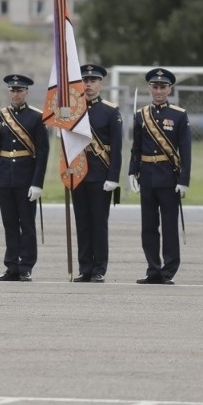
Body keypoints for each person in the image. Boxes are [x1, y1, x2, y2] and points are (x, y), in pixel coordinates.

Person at [128, 68, 191, 285]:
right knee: (148, 226)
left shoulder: (179, 115)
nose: (158, 91)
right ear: (149, 88)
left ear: (169, 89)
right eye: (155, 87)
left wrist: (184, 180)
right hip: (147, 176)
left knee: (169, 226)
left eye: (163, 87)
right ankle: (153, 269)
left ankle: (168, 271)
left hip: (168, 177)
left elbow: (186, 150)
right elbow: (136, 147)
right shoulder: (141, 114)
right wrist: (132, 171)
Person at [0, 74, 49, 281]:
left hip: (26, 178)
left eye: (19, 90)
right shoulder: (0, 117)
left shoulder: (36, 117)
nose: (15, 94)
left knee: (27, 225)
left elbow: (42, 152)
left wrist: (37, 183)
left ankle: (26, 265)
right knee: (10, 224)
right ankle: (12, 265)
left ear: (26, 92)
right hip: (5, 178)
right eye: (12, 90)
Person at [70, 64, 122, 283]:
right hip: (77, 174)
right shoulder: (72, 110)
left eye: (93, 80)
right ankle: (85, 268)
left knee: (99, 224)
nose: (88, 84)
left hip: (100, 175)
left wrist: (113, 177)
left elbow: (117, 148)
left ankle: (99, 268)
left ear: (101, 83)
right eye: (85, 80)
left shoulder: (110, 111)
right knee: (82, 223)